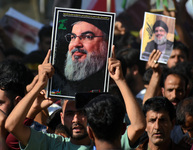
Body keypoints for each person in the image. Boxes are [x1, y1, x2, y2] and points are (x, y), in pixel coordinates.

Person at [5, 47, 146, 150]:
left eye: (82, 113)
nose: (76, 120)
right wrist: (38, 89)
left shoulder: (109, 142)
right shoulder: (53, 144)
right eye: (70, 113)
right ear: (61, 117)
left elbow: (139, 126)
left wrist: (120, 80)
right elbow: (12, 126)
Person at [52, 19, 110, 96]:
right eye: (73, 37)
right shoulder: (57, 82)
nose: (76, 44)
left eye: (88, 37)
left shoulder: (113, 83)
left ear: (106, 43)